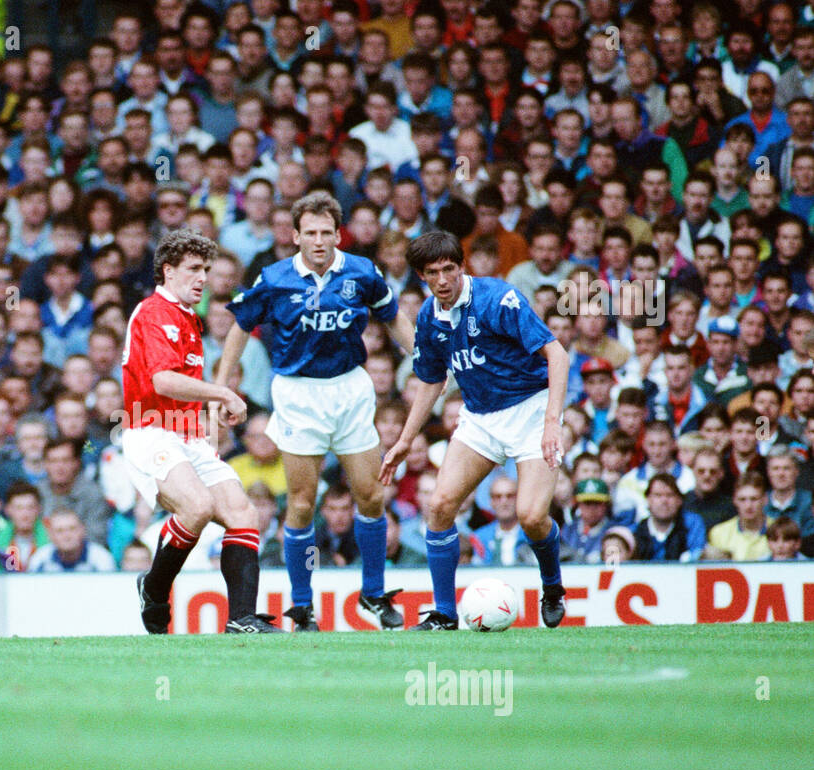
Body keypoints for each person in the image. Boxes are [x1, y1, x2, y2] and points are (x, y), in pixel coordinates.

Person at [221, 192, 415, 631]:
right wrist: (222, 384)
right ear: (295, 236)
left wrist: (422, 355)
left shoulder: (362, 272)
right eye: (310, 233)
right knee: (304, 503)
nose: (319, 240)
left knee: (370, 495)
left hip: (349, 389)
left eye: (327, 232)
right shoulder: (274, 278)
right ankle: (303, 605)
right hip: (299, 394)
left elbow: (393, 316)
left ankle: (373, 594)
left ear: (337, 234)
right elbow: (239, 325)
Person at [382, 230, 570, 629]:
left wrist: (552, 421)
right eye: (433, 273)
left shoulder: (497, 298)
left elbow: (557, 354)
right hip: (481, 417)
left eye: (450, 269)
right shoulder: (430, 319)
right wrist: (404, 440)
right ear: (422, 276)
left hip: (531, 410)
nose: (443, 279)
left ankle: (552, 585)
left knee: (532, 516)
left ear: (461, 266)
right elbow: (431, 381)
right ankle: (445, 614)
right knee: (439, 505)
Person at [121, 229, 278, 634]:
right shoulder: (154, 312)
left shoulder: (190, 318)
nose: (203, 278)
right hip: (149, 429)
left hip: (187, 435)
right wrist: (222, 392)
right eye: (193, 269)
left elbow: (185, 386)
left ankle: (241, 619)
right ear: (167, 271)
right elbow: (163, 381)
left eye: (206, 270)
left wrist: (207, 419)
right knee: (196, 507)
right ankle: (154, 589)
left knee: (243, 513)